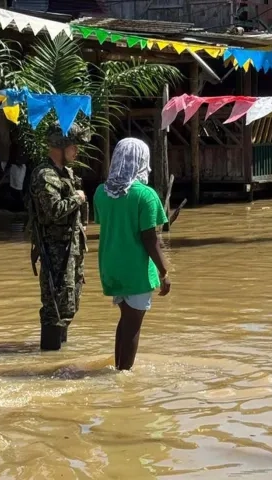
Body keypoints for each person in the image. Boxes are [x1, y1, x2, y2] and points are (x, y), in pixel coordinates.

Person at [93, 138, 171, 371]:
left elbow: (105, 223)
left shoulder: (100, 192)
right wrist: (164, 271)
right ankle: (123, 374)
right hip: (135, 270)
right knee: (134, 323)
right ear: (142, 162)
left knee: (125, 318)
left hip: (110, 267)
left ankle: (118, 367)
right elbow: (151, 239)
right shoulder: (145, 195)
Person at [28, 123, 90, 351]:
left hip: (70, 251)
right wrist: (78, 198)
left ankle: (59, 356)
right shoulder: (45, 175)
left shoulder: (64, 173)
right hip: (55, 252)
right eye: (74, 146)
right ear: (60, 146)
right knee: (54, 308)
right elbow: (53, 211)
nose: (77, 152)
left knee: (68, 305)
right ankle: (49, 357)